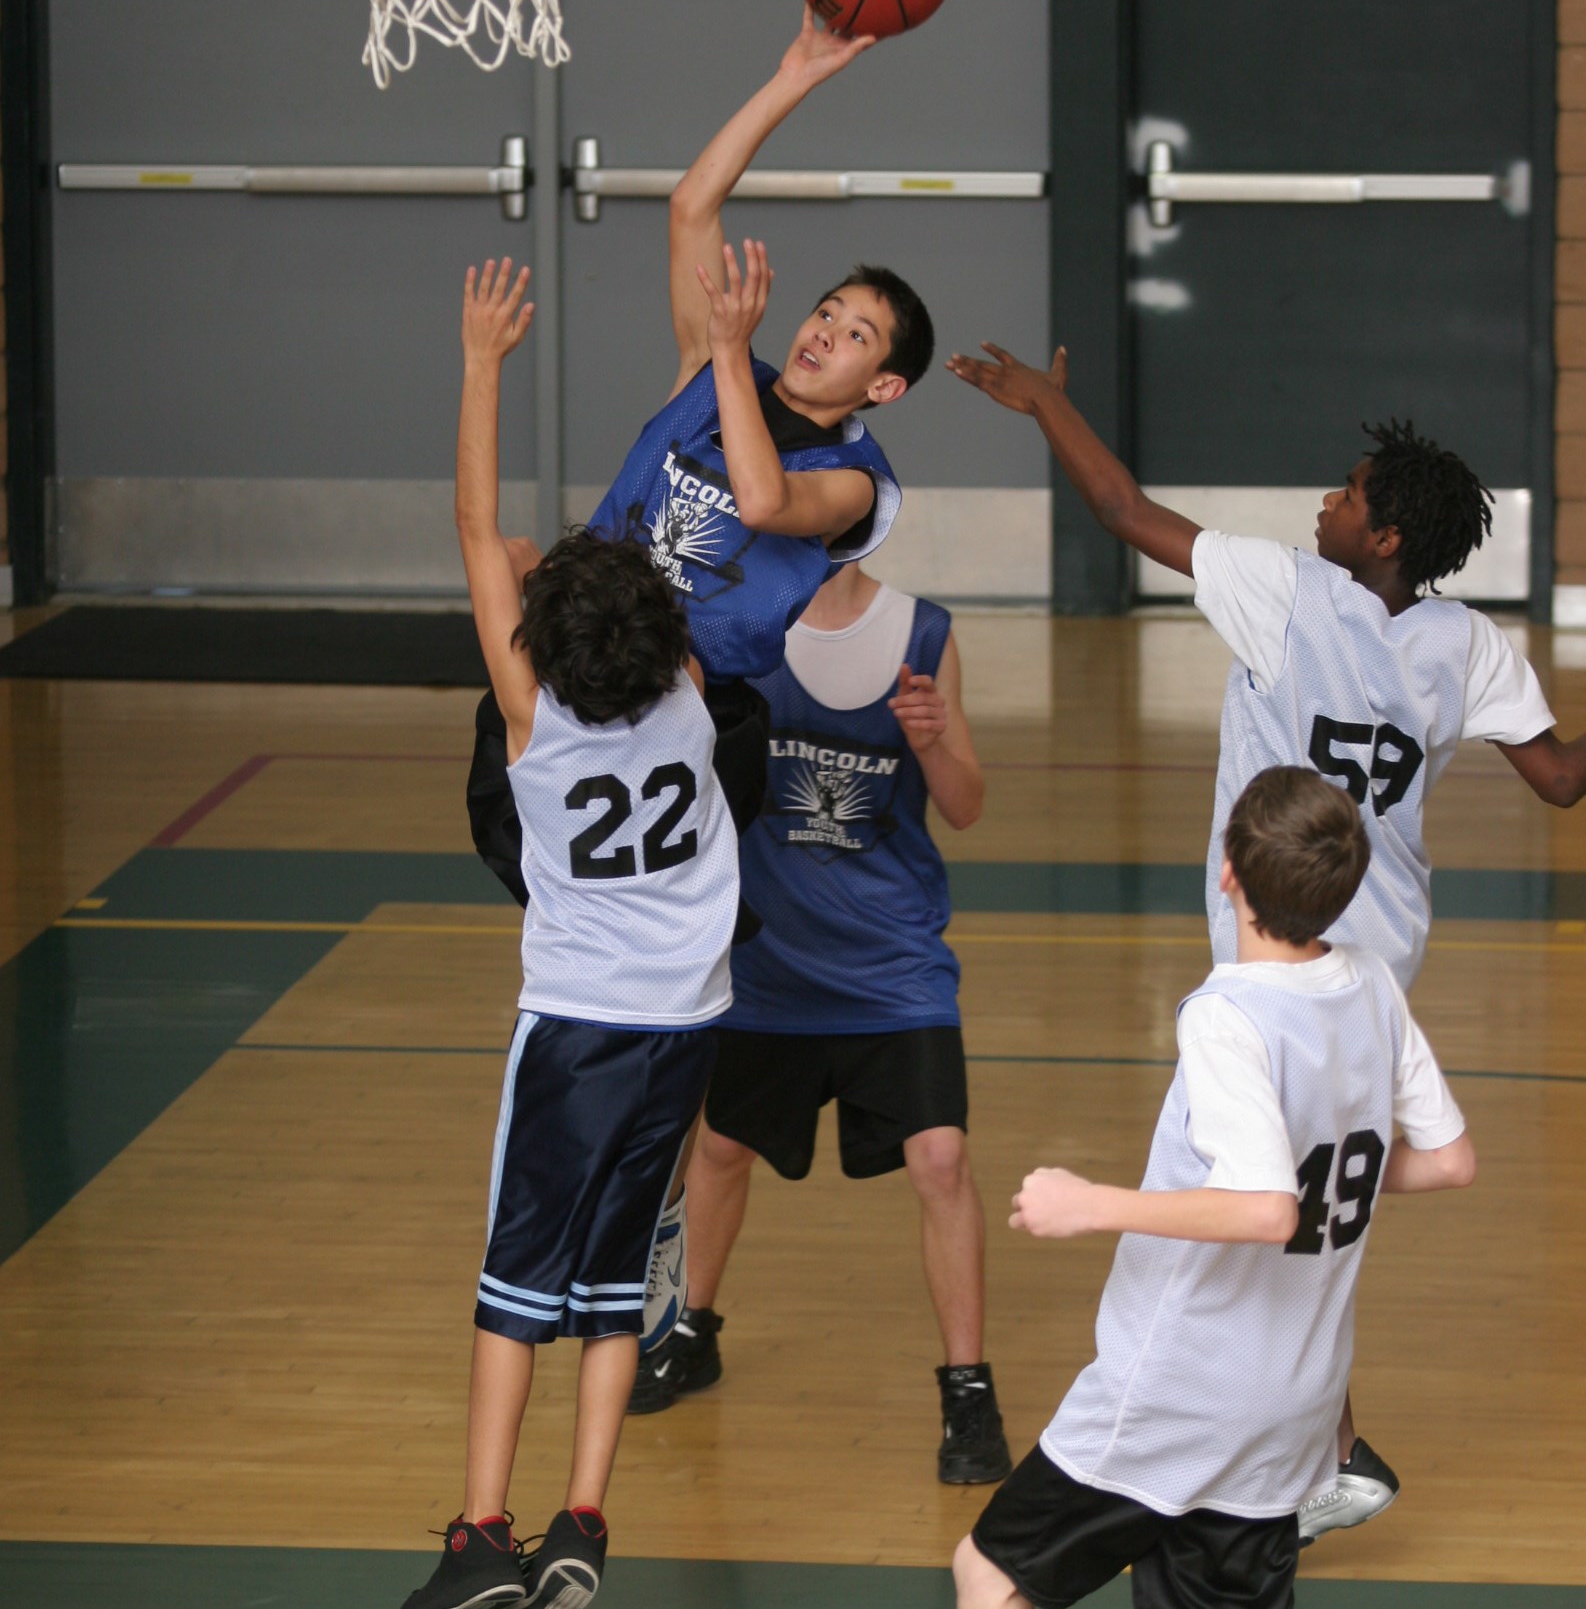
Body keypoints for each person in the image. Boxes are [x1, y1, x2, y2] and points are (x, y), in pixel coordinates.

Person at [947, 340, 1582, 1537]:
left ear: (1383, 537)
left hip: (1277, 959)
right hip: (1377, 964)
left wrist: (1041, 404)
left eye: (1344, 496)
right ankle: (1323, 1447)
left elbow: (1119, 508)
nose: (1323, 505)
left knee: (1256, 1205)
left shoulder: (1286, 590)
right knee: (1299, 1198)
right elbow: (1556, 779)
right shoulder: (1467, 643)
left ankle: (1283, 1456)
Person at [402, 259, 739, 1609]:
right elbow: (590, 559)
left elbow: (478, 526)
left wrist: (483, 360)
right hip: (687, 1024)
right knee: (611, 1282)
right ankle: (582, 1520)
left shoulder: (532, 718)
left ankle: (481, 1535)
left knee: (514, 1283)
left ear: (535, 644)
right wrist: (722, 351)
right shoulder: (696, 693)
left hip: (580, 1028)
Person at [953, 766, 1476, 1609]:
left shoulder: (1226, 1013)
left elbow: (1266, 1208)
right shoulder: (1372, 982)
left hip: (1178, 1386)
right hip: (1296, 1399)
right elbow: (1449, 1158)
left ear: (1226, 871)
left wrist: (1091, 1204)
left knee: (990, 1571)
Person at [468, 6, 935, 893]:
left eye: (858, 335)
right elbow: (692, 205)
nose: (826, 331)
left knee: (654, 919)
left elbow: (763, 502)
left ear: (885, 387)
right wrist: (792, 75)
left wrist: (726, 353)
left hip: (693, 713)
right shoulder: (714, 367)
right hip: (581, 666)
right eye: (827, 310)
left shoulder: (856, 485)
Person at [626, 558, 1013, 1486]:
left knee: (943, 1158)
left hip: (893, 967)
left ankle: (968, 1390)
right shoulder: (729, 630)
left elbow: (964, 804)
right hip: (768, 960)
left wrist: (930, 742)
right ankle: (693, 1329)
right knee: (719, 1149)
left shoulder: (924, 632)